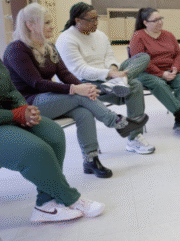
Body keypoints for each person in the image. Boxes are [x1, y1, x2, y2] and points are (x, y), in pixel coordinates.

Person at [3, 3, 148, 179]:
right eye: (46, 22)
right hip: (28, 103)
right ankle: (116, 121)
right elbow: (37, 83)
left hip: (48, 98)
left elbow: (64, 73)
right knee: (78, 98)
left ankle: (90, 160)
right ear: (30, 25)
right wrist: (75, 89)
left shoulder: (49, 46)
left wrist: (84, 88)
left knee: (83, 112)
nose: (52, 26)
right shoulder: (16, 49)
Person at [0, 59, 105, 223]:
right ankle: (70, 198)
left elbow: (11, 90)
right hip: (7, 118)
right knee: (35, 150)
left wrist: (23, 107)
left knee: (54, 134)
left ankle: (45, 203)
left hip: (11, 114)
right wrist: (14, 115)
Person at [56, 2, 155, 154]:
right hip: (84, 82)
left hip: (108, 76)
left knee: (143, 57)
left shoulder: (100, 35)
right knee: (134, 84)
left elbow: (109, 56)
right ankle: (119, 86)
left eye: (97, 19)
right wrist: (109, 75)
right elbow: (79, 70)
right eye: (91, 20)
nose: (96, 23)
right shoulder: (66, 39)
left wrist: (113, 69)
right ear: (78, 20)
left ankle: (118, 85)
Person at [130, 7, 180, 133]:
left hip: (171, 70)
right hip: (146, 72)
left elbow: (178, 55)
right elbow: (140, 61)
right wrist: (161, 74)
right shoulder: (138, 36)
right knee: (159, 84)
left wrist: (175, 69)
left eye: (160, 18)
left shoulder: (168, 35)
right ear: (145, 22)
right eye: (155, 20)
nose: (160, 22)